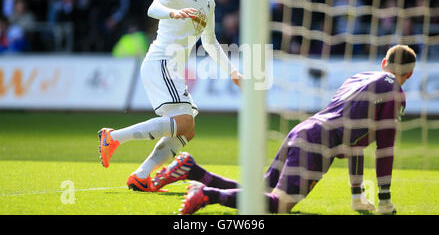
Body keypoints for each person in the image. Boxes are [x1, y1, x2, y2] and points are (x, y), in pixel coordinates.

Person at [150, 44, 416, 215]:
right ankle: (207, 194)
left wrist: (357, 196)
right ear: (410, 75)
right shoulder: (396, 94)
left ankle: (192, 170)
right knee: (279, 205)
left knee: (262, 190)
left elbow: (355, 140)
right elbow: (385, 150)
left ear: (383, 63)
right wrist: (385, 201)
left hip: (305, 129)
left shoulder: (358, 78)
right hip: (321, 144)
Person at [98, 0, 242, 192]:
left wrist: (233, 72)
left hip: (172, 68)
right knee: (184, 122)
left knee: (187, 131)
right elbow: (153, 9)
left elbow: (209, 42)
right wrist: (174, 13)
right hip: (161, 61)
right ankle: (113, 137)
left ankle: (141, 175)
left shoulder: (208, 0)